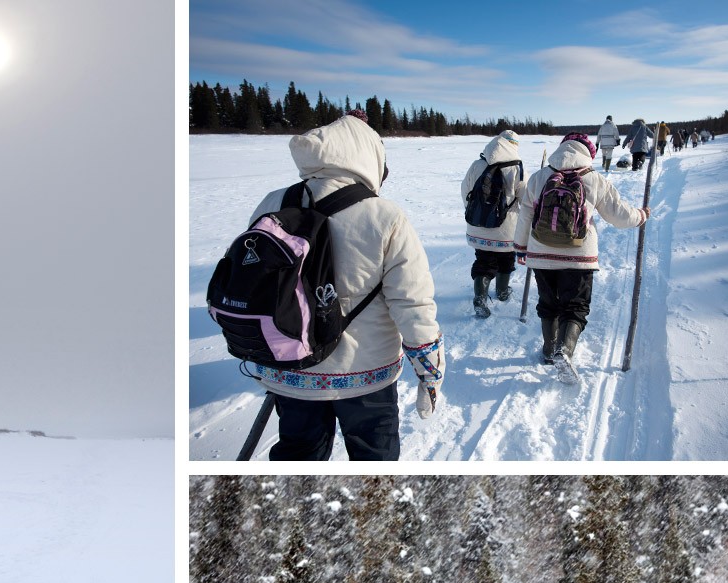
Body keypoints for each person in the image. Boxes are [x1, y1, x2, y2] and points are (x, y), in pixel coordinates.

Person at [240, 112, 445, 461]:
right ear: (368, 156)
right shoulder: (385, 215)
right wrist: (430, 373)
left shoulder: (272, 203)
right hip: (365, 377)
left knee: (299, 457)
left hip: (289, 370)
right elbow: (412, 304)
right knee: (374, 463)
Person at [514, 133, 650, 375]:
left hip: (541, 254)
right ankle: (564, 351)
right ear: (588, 152)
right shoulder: (593, 179)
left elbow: (525, 215)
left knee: (548, 303)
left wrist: (521, 247)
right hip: (579, 257)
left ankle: (548, 350)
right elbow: (618, 215)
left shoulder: (539, 177)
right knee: (575, 306)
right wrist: (640, 216)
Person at [460, 129, 528, 316]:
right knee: (506, 260)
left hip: (478, 227)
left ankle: (480, 297)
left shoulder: (477, 164)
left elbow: (465, 191)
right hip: (506, 229)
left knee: (483, 260)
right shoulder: (517, 168)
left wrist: (478, 214)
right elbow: (526, 199)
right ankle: (502, 291)